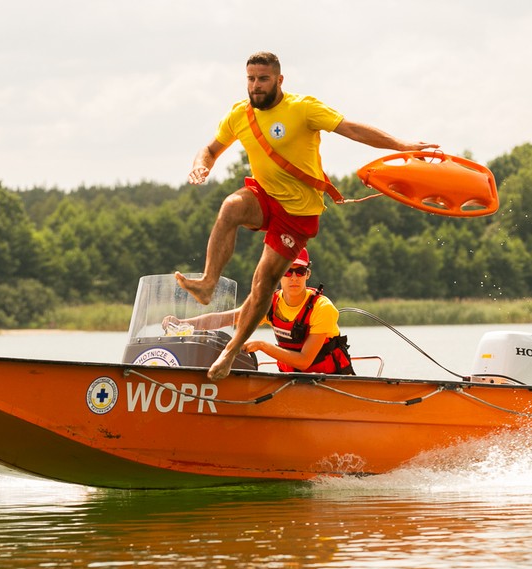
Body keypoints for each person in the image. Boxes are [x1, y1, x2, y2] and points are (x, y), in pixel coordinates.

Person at [176, 51, 437, 380]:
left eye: (263, 79)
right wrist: (202, 165)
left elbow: (353, 129)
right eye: (251, 79)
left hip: (298, 213)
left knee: (263, 284)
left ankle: (230, 353)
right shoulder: (239, 115)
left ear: (279, 80)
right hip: (266, 196)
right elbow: (211, 149)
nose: (256, 86)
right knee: (230, 206)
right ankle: (208, 282)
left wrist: (402, 145)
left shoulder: (303, 108)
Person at [164, 249, 354, 375]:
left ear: (307, 274)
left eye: (300, 271)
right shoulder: (269, 303)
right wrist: (184, 323)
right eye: (287, 271)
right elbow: (229, 318)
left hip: (331, 382)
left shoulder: (323, 308)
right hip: (293, 382)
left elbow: (304, 361)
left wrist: (262, 345)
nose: (294, 278)